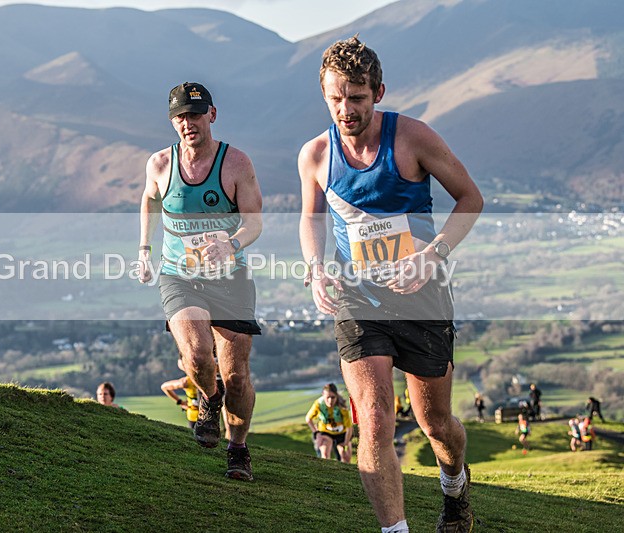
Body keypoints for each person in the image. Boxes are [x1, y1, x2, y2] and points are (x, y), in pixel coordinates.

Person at [298, 35, 483, 533]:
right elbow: (312, 219)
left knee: (435, 423)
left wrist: (432, 254)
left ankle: (454, 488)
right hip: (357, 298)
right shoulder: (316, 155)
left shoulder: (412, 138)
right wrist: (316, 267)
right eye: (335, 98)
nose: (346, 109)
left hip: (422, 297)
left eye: (356, 97)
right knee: (374, 416)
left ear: (378, 93)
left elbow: (470, 198)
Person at [138, 81, 263, 481]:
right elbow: (149, 200)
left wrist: (232, 243)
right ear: (172, 122)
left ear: (212, 114)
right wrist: (144, 249)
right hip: (180, 274)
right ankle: (210, 399)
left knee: (237, 375)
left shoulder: (236, 163)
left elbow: (254, 221)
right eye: (180, 117)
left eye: (194, 114)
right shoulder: (160, 164)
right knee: (195, 356)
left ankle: (238, 449)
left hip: (230, 277)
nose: (188, 123)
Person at [306, 383, 354, 464]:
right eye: (327, 397)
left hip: (341, 432)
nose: (330, 401)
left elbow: (349, 427)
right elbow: (308, 419)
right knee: (325, 454)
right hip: (326, 432)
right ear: (323, 395)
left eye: (333, 397)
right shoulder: (319, 404)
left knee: (346, 457)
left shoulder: (342, 406)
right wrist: (316, 433)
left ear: (336, 395)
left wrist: (346, 442)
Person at [161, 359, 200, 429]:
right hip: (203, 416)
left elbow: (164, 387)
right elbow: (164, 387)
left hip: (194, 416)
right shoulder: (212, 380)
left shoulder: (187, 382)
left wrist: (180, 402)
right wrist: (180, 402)